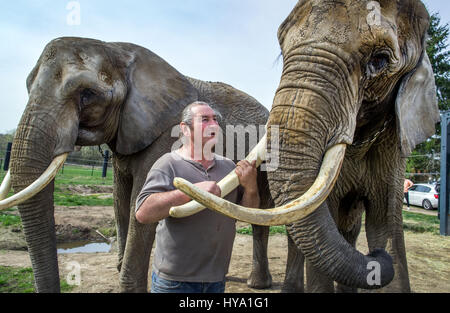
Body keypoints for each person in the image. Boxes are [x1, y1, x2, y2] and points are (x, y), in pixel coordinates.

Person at [135, 101, 260, 293]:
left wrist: (251, 187)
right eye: (205, 119)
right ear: (185, 129)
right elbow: (143, 212)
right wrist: (191, 191)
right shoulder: (168, 164)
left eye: (215, 119)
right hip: (174, 282)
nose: (214, 124)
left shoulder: (228, 167)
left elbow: (246, 215)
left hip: (216, 280)